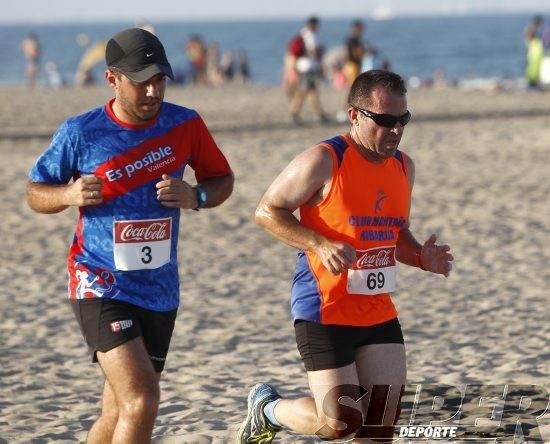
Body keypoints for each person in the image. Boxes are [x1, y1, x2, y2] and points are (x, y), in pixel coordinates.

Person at [27, 28, 234, 443]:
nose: (154, 90)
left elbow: (222, 180)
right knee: (143, 399)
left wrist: (196, 196)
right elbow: (35, 193)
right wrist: (67, 193)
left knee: (119, 409)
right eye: (142, 81)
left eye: (160, 79)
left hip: (158, 287)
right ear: (112, 79)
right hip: (98, 281)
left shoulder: (186, 124)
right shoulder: (80, 132)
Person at [237, 70, 453, 443]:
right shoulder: (324, 160)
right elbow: (267, 211)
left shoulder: (403, 167)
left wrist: (419, 256)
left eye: (403, 120)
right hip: (325, 307)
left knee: (380, 425)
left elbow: (394, 233)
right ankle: (267, 408)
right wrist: (318, 244)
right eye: (385, 121)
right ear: (355, 115)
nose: (396, 130)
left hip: (376, 308)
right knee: (341, 422)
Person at [284, 16, 328, 124]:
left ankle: (318, 114)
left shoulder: (303, 34)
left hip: (304, 67)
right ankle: (295, 113)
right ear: (313, 24)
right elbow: (312, 51)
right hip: (309, 68)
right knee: (306, 91)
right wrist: (320, 52)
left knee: (311, 90)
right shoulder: (310, 36)